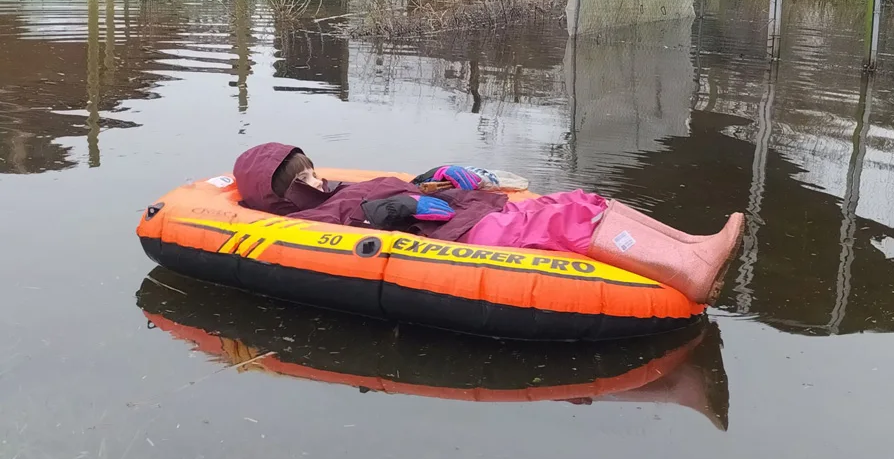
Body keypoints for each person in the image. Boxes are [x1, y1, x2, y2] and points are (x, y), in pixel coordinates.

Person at [233, 143, 743, 304]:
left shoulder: (338, 188)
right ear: (280, 198)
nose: (314, 178)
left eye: (309, 168)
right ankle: (689, 269)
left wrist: (434, 179)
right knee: (568, 221)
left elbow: (395, 189)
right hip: (462, 234)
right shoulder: (316, 216)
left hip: (469, 209)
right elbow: (351, 231)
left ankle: (691, 245)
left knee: (583, 199)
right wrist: (391, 211)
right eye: (299, 179)